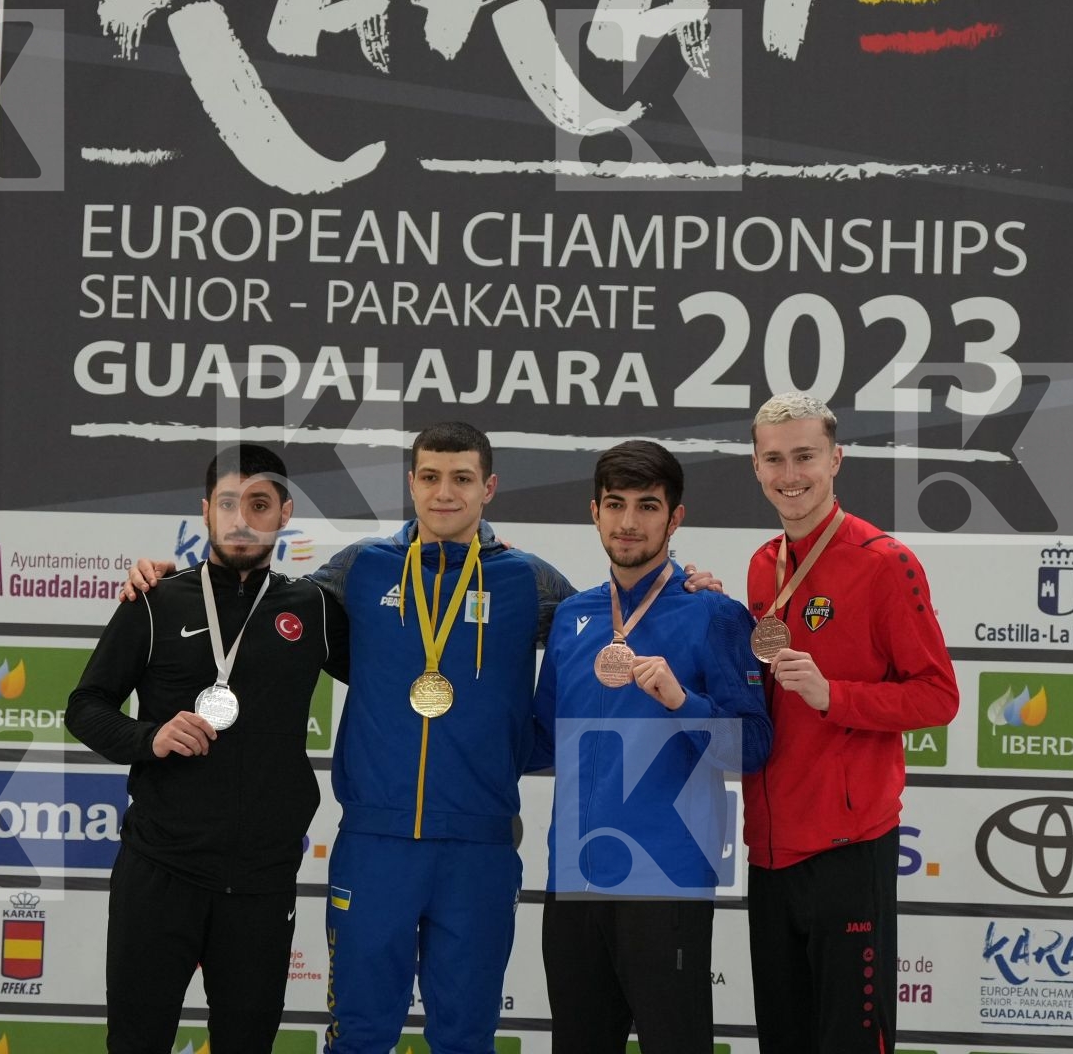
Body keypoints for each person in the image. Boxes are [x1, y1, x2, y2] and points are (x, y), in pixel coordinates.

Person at [120, 422, 722, 1054]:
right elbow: (259, 608)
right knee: (359, 1035)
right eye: (430, 477)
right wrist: (170, 579)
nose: (445, 494)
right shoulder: (361, 567)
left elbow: (613, 626)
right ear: (411, 483)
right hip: (375, 844)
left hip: (479, 849)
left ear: (488, 487)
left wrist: (682, 589)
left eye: (462, 479)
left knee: (464, 1039)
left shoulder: (529, 582)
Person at [67, 443, 349, 1054]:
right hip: (160, 871)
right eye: (228, 503)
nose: (242, 517)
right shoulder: (156, 601)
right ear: (204, 512)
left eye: (259, 503)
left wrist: (479, 561)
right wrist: (150, 737)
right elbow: (84, 706)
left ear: (285, 512)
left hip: (262, 882)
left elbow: (404, 666)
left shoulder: (314, 609)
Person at [529, 441, 771, 1054]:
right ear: (594, 512)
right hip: (574, 880)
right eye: (615, 505)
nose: (629, 522)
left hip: (668, 882)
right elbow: (538, 740)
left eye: (647, 505)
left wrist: (680, 702)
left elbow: (754, 748)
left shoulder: (714, 614)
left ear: (676, 517)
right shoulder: (572, 617)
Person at [741, 393, 960, 1054]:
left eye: (804, 456)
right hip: (770, 847)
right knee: (785, 1039)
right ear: (755, 467)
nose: (790, 473)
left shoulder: (883, 562)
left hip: (848, 844)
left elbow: (938, 697)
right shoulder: (760, 566)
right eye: (774, 458)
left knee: (850, 1043)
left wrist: (835, 696)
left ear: (835, 458)